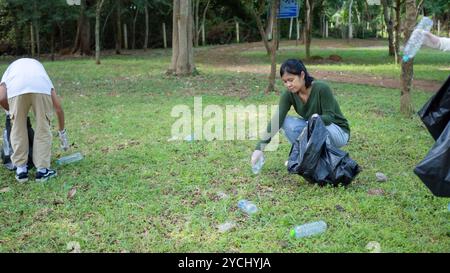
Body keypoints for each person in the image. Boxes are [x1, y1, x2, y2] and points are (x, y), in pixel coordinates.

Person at [251, 59, 350, 167]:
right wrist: (259, 148)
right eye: (285, 81)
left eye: (291, 80)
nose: (288, 84)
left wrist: (313, 120)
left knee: (312, 124)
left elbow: (329, 117)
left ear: (302, 75)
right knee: (284, 121)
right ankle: (310, 157)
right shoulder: (289, 94)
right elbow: (277, 120)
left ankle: (319, 158)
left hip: (337, 131)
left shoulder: (322, 88)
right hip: (313, 127)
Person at [0, 58, 69, 183]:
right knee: (43, 127)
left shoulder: (9, 71)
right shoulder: (41, 73)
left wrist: (12, 112)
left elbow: (1, 97)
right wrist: (62, 133)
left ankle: (21, 170)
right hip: (41, 88)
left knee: (17, 128)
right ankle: (42, 171)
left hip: (16, 89)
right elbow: (58, 108)